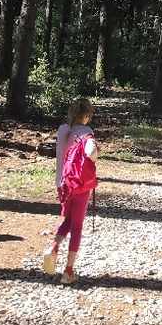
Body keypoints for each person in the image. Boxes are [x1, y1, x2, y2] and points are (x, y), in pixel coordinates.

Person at [43, 97, 98, 285]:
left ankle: (53, 247)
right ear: (87, 115)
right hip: (80, 185)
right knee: (77, 226)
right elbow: (91, 153)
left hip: (62, 183)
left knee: (67, 219)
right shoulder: (87, 132)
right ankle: (68, 271)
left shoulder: (63, 130)